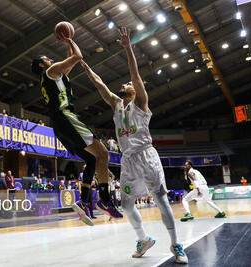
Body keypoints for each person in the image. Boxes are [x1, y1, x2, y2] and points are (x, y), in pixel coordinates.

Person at [80, 27, 187, 264]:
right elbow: (99, 84)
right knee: (127, 205)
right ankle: (143, 239)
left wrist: (128, 48)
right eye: (126, 83)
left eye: (130, 83)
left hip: (146, 155)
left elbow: (135, 75)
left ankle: (176, 244)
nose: (127, 83)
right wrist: (84, 65)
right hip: (128, 159)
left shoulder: (141, 102)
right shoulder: (116, 104)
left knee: (161, 200)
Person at [30, 31, 122, 226]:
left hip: (60, 124)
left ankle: (84, 200)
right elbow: (78, 58)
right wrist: (71, 40)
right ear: (41, 64)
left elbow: (69, 61)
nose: (51, 59)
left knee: (91, 159)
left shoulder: (55, 75)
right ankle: (104, 199)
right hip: (66, 117)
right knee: (103, 154)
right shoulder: (50, 71)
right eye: (47, 58)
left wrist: (66, 45)